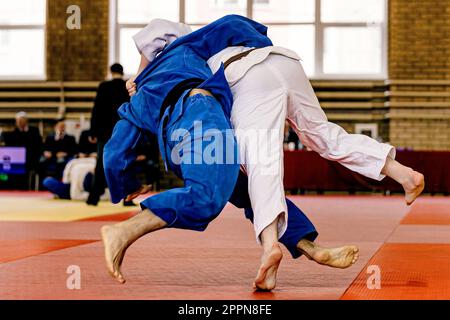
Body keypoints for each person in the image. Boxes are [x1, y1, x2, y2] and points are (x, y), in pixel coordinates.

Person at [87, 63, 133, 206]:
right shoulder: (126, 86)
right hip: (122, 131)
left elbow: (96, 110)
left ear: (111, 72)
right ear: (122, 71)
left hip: (104, 132)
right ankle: (127, 198)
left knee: (101, 163)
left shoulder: (103, 87)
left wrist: (93, 131)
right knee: (125, 162)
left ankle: (93, 198)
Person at [42, 157, 107, 201]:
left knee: (48, 182)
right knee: (47, 181)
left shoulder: (100, 168)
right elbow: (74, 196)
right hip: (71, 181)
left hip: (77, 174)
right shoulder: (78, 175)